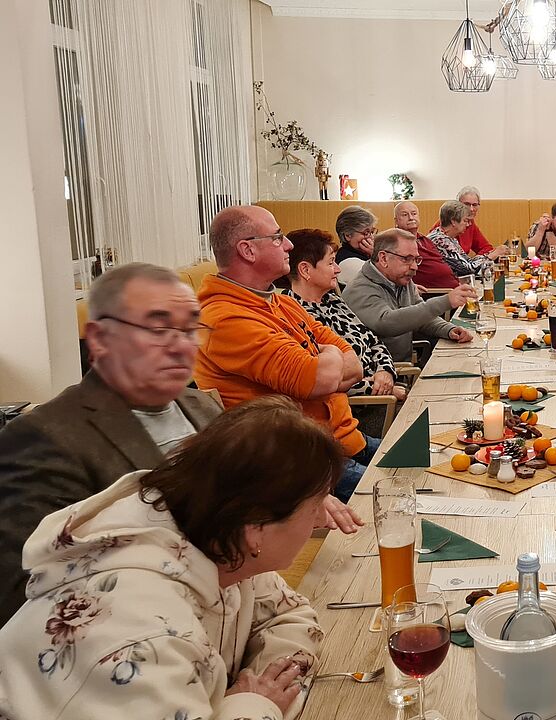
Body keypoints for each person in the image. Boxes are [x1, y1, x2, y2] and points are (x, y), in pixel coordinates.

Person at [0, 396, 336, 719]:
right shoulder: (145, 635)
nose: (322, 519)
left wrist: (257, 689)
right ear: (256, 528)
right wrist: (252, 706)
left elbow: (292, 615)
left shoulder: (219, 542)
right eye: (314, 506)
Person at [0, 264, 223, 623]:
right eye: (159, 328)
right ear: (100, 339)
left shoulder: (204, 406)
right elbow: (26, 592)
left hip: (230, 612)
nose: (182, 345)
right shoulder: (45, 437)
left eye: (190, 328)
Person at [195, 205, 371, 503]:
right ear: (247, 250)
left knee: (435, 465)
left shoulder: (280, 303)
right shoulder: (224, 319)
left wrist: (328, 360)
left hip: (346, 441)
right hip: (304, 468)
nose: (288, 244)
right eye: (277, 237)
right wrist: (329, 357)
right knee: (414, 497)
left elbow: (354, 364)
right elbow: (320, 380)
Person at [281, 228, 405, 403]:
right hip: (357, 407)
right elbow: (321, 379)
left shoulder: (333, 301)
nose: (338, 270)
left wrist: (385, 371)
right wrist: (380, 389)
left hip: (383, 394)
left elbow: (373, 341)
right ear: (305, 270)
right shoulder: (291, 312)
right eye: (331, 263)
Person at [343, 229, 475, 365]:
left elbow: (421, 318)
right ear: (383, 258)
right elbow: (387, 323)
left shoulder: (401, 278)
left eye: (416, 259)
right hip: (379, 376)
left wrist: (449, 329)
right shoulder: (360, 289)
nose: (414, 267)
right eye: (406, 259)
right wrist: (444, 302)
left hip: (403, 369)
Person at [393, 201, 459, 290]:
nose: (411, 218)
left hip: (452, 289)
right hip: (431, 294)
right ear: (396, 220)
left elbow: (440, 262)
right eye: (405, 215)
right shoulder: (396, 241)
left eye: (414, 214)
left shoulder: (425, 239)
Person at [429, 185, 505, 259]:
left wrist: (476, 261)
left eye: (474, 205)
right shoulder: (444, 227)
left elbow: (485, 248)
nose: (471, 209)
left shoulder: (470, 224)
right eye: (467, 204)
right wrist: (485, 258)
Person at [429, 200, 493, 279]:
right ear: (453, 222)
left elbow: (468, 261)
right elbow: (467, 269)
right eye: (465, 221)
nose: (468, 224)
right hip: (444, 289)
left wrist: (490, 254)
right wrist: (491, 256)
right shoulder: (440, 240)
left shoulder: (451, 239)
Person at [334, 205, 377, 287]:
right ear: (348, 235)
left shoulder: (364, 254)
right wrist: (375, 255)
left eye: (372, 232)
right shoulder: (348, 262)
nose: (371, 237)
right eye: (366, 233)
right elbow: (383, 282)